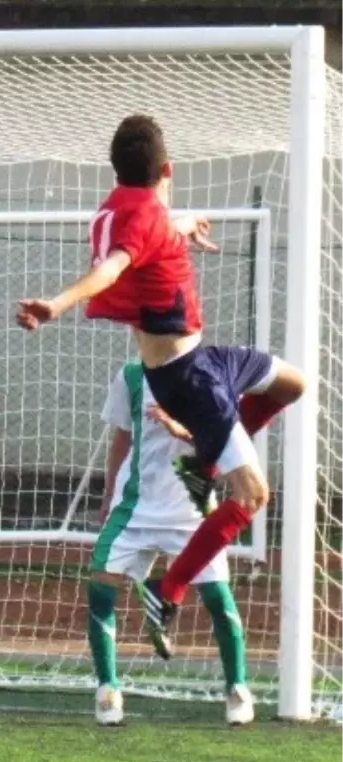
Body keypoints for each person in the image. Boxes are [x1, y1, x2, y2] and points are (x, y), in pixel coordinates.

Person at [16, 114, 303, 658]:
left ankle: (202, 463)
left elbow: (151, 229)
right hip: (189, 379)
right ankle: (166, 590)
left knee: (292, 384)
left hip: (206, 360)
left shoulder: (124, 205)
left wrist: (186, 223)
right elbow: (112, 268)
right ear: (167, 168)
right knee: (255, 495)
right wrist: (55, 303)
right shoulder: (142, 222)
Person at [89, 360, 253, 726]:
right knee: (100, 584)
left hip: (192, 504)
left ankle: (237, 687)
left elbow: (230, 442)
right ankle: (107, 689)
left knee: (216, 595)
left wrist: (181, 430)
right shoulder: (130, 376)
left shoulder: (216, 377)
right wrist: (109, 492)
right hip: (135, 503)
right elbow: (122, 438)